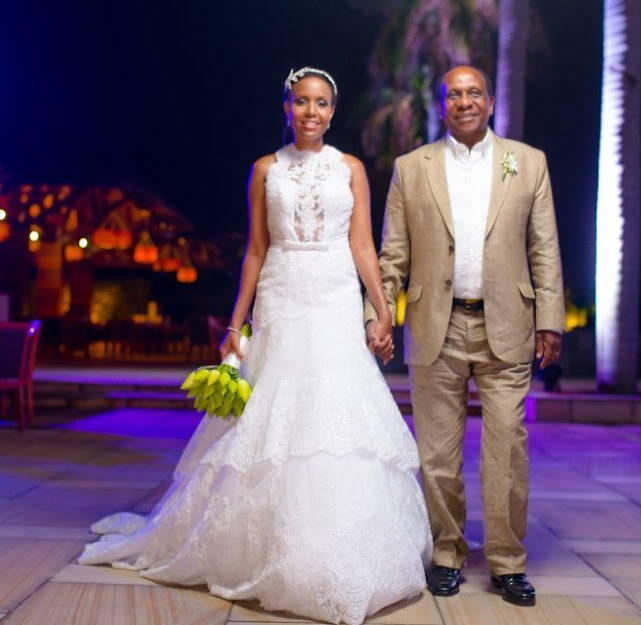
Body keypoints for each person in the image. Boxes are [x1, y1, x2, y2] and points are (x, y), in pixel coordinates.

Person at [79, 67, 432, 625]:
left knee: (337, 417)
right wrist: (236, 326)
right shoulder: (265, 170)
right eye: (301, 102)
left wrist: (383, 312)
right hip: (283, 298)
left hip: (337, 298)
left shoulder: (353, 170)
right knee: (271, 420)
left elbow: (363, 244)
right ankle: (266, 551)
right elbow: (253, 250)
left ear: (333, 111)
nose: (311, 112)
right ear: (287, 107)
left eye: (321, 103)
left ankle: (346, 554)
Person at [365, 65, 565, 606]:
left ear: (491, 102)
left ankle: (507, 562)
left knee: (507, 447)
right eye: (454, 94)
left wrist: (551, 317)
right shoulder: (413, 167)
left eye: (474, 92)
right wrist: (378, 314)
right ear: (442, 106)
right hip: (437, 325)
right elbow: (393, 254)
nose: (464, 101)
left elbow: (543, 246)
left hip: (508, 324)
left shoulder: (527, 162)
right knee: (437, 453)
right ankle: (447, 553)